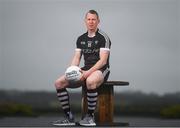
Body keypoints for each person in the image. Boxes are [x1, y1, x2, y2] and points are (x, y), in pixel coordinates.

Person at [53, 9, 111, 126]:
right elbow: (77, 58)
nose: (91, 22)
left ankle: (90, 117)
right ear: (85, 21)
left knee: (90, 81)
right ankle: (69, 117)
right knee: (59, 83)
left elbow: (103, 61)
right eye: (88, 19)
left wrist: (87, 73)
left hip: (101, 70)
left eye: (93, 19)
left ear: (98, 21)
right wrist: (71, 70)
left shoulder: (103, 37)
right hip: (85, 69)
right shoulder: (81, 38)